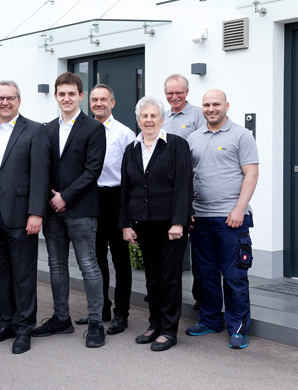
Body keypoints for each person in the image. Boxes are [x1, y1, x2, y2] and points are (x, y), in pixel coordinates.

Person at [36, 72, 107, 348]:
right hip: (52, 211)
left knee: (89, 265)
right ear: (56, 96)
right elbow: (41, 169)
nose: (66, 98)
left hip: (81, 209)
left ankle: (96, 323)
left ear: (80, 96)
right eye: (61, 94)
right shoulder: (46, 129)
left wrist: (65, 196)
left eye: (71, 94)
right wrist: (51, 199)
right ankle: (61, 318)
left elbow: (93, 170)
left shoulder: (93, 128)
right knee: (56, 265)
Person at [0, 81, 48, 354]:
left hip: (21, 214)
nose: (5, 103)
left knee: (24, 274)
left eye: (10, 98)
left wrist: (36, 213)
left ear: (19, 100)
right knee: (0, 273)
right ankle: (6, 322)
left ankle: (24, 327)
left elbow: (41, 175)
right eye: (0, 98)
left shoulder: (34, 130)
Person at [185, 89, 259, 350]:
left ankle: (238, 328)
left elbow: (251, 174)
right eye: (206, 104)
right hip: (200, 218)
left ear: (227, 105)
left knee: (234, 276)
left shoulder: (241, 135)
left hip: (231, 219)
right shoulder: (193, 138)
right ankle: (209, 320)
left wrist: (240, 209)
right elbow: (189, 177)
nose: (211, 108)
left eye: (216, 104)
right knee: (205, 275)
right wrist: (187, 210)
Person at [119, 96, 193, 352]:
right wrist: (126, 224)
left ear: (162, 119)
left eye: (153, 116)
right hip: (143, 223)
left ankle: (169, 329)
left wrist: (179, 222)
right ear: (138, 120)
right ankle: (155, 324)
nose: (148, 120)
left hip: (170, 225)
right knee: (151, 277)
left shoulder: (176, 145)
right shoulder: (132, 149)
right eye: (144, 116)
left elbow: (184, 186)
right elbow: (125, 190)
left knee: (170, 277)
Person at [74, 84, 136, 336]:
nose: (98, 103)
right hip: (90, 198)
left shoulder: (125, 134)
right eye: (94, 99)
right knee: (95, 259)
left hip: (116, 198)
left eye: (103, 99)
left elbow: (131, 176)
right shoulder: (84, 130)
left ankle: (122, 313)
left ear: (113, 102)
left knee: (121, 261)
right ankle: (101, 310)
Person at [163, 73, 205, 309]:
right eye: (170, 92)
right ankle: (166, 291)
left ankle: (200, 296)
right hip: (167, 192)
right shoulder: (163, 117)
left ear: (187, 92)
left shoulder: (198, 115)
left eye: (179, 92)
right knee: (169, 247)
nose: (174, 96)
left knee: (198, 248)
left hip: (192, 189)